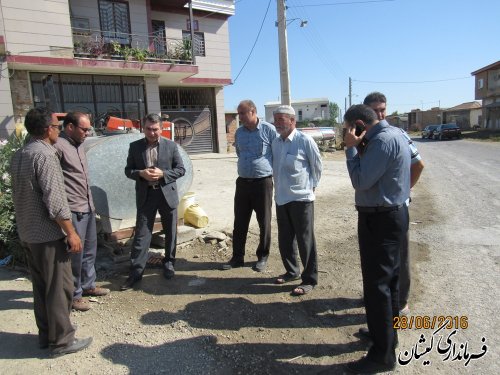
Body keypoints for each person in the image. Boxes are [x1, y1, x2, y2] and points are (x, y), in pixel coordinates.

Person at [11, 107, 92, 356]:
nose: (58, 130)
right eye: (56, 126)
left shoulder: (20, 154)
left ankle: (47, 335)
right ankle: (62, 341)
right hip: (48, 236)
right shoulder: (45, 155)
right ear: (48, 129)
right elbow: (56, 202)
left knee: (41, 287)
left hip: (28, 234)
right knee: (60, 288)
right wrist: (72, 233)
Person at [343, 104, 410, 373]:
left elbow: (360, 181)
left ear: (359, 125)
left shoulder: (381, 141)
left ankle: (382, 355)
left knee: (377, 286)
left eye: (348, 129)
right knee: (390, 283)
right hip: (391, 215)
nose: (346, 134)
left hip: (380, 219)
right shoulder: (395, 134)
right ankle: (385, 336)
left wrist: (350, 148)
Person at [363, 92, 424, 313]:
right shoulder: (364, 138)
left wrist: (403, 191)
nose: (380, 114)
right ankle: (380, 298)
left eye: (383, 110)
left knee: (399, 257)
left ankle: (400, 303)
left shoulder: (397, 134)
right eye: (375, 110)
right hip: (373, 210)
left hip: (394, 208)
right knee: (378, 259)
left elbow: (418, 165)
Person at [121, 113, 185, 290]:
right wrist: (140, 173)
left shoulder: (171, 146)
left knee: (171, 232)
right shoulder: (134, 147)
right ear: (143, 128)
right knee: (142, 234)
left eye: (155, 129)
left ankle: (169, 263)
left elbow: (181, 170)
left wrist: (163, 174)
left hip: (167, 195)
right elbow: (128, 170)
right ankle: (136, 272)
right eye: (148, 129)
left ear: (161, 129)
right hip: (146, 195)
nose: (152, 133)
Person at [54, 112, 110, 312]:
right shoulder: (58, 147)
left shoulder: (78, 146)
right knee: (75, 256)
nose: (88, 133)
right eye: (84, 129)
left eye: (88, 129)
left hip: (87, 207)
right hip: (73, 210)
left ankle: (88, 285)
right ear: (69, 127)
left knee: (89, 251)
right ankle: (74, 294)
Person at [221, 100, 277, 272]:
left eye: (243, 113)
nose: (240, 117)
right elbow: (239, 153)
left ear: (253, 111)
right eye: (239, 114)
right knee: (240, 222)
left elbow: (277, 154)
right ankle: (237, 257)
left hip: (263, 183)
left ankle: (263, 257)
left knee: (264, 222)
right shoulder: (239, 133)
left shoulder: (269, 130)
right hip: (243, 183)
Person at [271, 105, 322, 296]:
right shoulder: (276, 143)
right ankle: (292, 271)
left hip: (301, 198)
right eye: (275, 120)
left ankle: (309, 279)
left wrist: (311, 187)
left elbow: (317, 167)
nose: (277, 124)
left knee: (305, 240)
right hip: (282, 198)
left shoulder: (304, 140)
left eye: (281, 120)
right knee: (285, 239)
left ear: (293, 121)